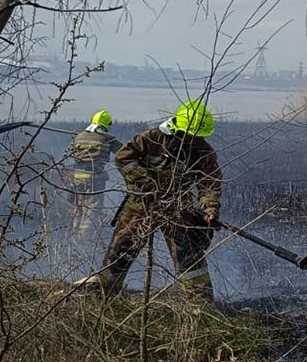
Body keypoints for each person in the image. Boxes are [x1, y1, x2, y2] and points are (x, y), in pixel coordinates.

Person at [78, 99, 222, 301]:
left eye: (197, 136)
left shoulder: (203, 150)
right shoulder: (151, 139)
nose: (193, 140)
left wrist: (210, 208)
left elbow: (209, 182)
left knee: (189, 254)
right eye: (190, 135)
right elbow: (123, 158)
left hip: (178, 208)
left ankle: (200, 303)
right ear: (178, 129)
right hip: (141, 205)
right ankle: (103, 296)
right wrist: (146, 183)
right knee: (121, 250)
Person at [68, 110, 121, 233]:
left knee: (79, 206)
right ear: (106, 125)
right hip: (94, 177)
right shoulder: (108, 139)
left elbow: (72, 152)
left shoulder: (78, 137)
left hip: (78, 176)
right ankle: (84, 239)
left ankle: (74, 235)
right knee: (92, 210)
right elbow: (124, 151)